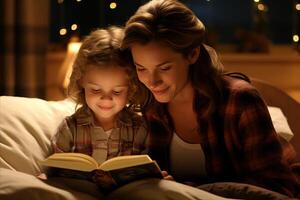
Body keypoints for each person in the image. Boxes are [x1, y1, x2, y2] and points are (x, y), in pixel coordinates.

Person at [119, 0, 300, 198]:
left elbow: (278, 189)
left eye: (164, 68)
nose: (151, 81)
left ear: (193, 54)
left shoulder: (239, 100)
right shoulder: (149, 105)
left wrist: (183, 189)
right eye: (141, 68)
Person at [51, 26, 148, 176]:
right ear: (81, 82)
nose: (106, 98)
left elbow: (148, 171)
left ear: (131, 88)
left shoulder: (140, 129)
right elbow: (54, 168)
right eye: (96, 90)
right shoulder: (69, 128)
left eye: (116, 91)